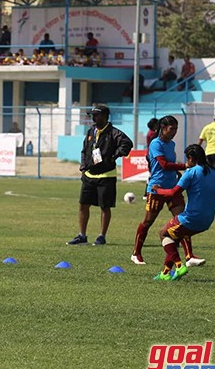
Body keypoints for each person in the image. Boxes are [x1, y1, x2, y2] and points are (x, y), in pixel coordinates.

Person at [130, 116, 204, 267]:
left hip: (173, 188)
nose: (174, 132)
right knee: (147, 222)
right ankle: (136, 253)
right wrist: (184, 166)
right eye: (172, 129)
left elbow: (169, 165)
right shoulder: (155, 144)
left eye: (176, 129)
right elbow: (163, 164)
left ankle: (189, 256)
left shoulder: (171, 144)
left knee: (182, 220)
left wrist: (177, 174)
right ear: (163, 128)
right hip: (157, 189)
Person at [151, 144, 215, 281]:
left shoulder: (191, 172)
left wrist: (157, 189)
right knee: (174, 237)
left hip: (191, 218)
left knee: (163, 233)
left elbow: (172, 193)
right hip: (207, 220)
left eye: (186, 159)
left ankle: (179, 265)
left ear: (191, 158)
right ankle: (165, 273)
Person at [67, 104, 132, 246]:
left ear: (104, 116)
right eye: (92, 115)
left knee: (105, 206)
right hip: (89, 176)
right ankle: (82, 236)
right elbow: (85, 150)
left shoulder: (114, 133)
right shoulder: (91, 132)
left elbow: (127, 144)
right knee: (83, 205)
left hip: (106, 176)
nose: (93, 118)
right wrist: (83, 166)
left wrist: (113, 156)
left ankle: (102, 236)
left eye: (96, 115)